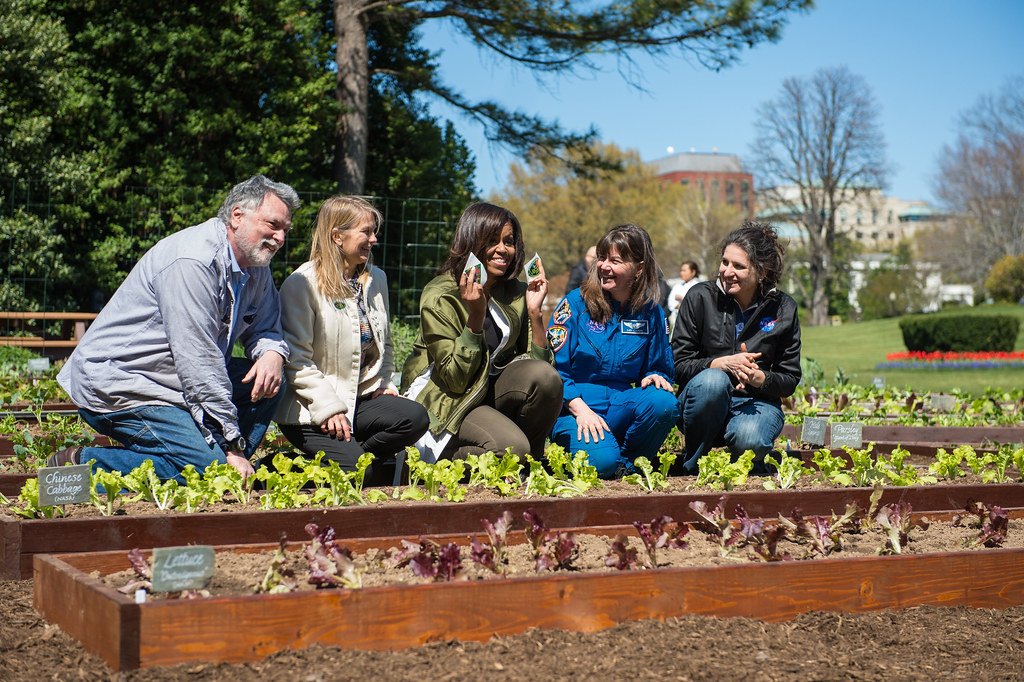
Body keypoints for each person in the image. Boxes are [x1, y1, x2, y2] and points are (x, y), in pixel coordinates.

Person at [50, 175, 299, 482]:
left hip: (171, 382)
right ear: (237, 216)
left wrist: (272, 354)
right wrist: (231, 446)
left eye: (285, 230)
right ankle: (82, 464)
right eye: (273, 225)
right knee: (211, 471)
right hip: (124, 383)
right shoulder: (193, 261)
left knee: (270, 380)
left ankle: (223, 464)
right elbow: (199, 363)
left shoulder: (254, 265)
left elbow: (266, 327)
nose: (280, 238)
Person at [273, 196, 429, 485]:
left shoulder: (375, 279)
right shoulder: (302, 283)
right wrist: (329, 408)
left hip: (358, 402)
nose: (374, 239)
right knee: (365, 473)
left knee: (415, 418)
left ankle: (350, 461)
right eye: (366, 232)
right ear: (337, 236)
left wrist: (384, 384)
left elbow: (386, 342)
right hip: (310, 409)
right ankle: (276, 469)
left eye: (374, 231)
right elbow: (297, 360)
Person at [401, 202, 563, 461]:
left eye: (509, 241)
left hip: (490, 392)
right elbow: (455, 379)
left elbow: (544, 374)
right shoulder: (441, 293)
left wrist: (535, 313)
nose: (503, 249)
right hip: (449, 398)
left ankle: (530, 462)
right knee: (510, 449)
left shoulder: (517, 293)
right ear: (471, 242)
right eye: (492, 241)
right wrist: (476, 316)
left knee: (546, 378)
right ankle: (441, 458)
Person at [548, 224, 679, 478]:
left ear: (639, 268)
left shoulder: (651, 313)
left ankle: (627, 465)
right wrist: (580, 409)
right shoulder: (574, 304)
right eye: (602, 258)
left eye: (615, 260)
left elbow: (660, 367)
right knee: (602, 463)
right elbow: (553, 370)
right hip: (575, 409)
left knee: (663, 401)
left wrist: (654, 374)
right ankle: (611, 460)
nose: (604, 266)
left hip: (621, 406)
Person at [671, 221, 801, 475]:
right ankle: (693, 463)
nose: (727, 271)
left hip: (756, 403)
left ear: (762, 272)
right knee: (713, 381)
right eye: (725, 262)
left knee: (750, 441)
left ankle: (737, 468)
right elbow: (676, 364)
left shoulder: (784, 308)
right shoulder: (699, 297)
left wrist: (759, 378)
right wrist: (718, 363)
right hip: (702, 402)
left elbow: (790, 379)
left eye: (738, 266)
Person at [667, 260, 702, 328]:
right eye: (681, 270)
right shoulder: (677, 286)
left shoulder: (698, 286)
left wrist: (681, 298)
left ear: (693, 272)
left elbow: (695, 304)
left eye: (684, 271)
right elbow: (671, 303)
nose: (681, 273)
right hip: (677, 322)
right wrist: (683, 303)